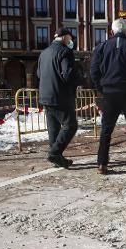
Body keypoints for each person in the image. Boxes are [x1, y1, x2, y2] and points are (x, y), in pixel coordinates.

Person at [91, 19, 126, 175]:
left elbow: (94, 71)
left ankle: (102, 163)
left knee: (106, 129)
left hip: (110, 93)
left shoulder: (101, 47)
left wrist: (102, 88)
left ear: (111, 32)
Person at [37, 27, 83, 168]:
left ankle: (56, 157)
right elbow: (68, 74)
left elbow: (39, 74)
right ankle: (55, 153)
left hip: (45, 96)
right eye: (70, 38)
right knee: (70, 125)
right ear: (64, 37)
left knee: (54, 128)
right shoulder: (65, 52)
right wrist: (78, 81)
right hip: (60, 95)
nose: (71, 41)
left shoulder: (43, 53)